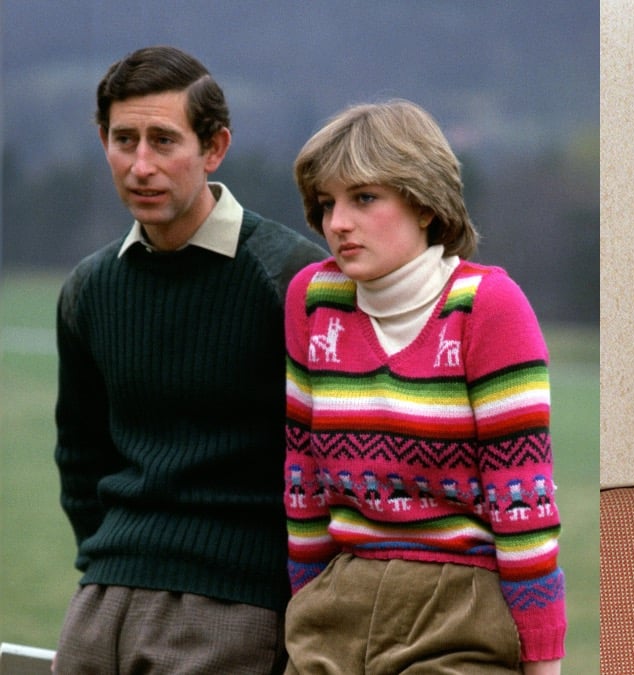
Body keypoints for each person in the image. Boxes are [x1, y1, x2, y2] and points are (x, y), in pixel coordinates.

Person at [53, 46, 326, 673]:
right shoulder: (88, 290)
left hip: (234, 609)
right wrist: (104, 567)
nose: (141, 166)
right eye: (124, 140)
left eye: (163, 141)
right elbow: (80, 455)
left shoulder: (292, 280)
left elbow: (328, 463)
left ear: (214, 147)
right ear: (103, 141)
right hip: (100, 604)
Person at [282, 99, 566, 674]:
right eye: (326, 203)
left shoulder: (487, 307)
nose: (337, 222)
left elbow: (524, 503)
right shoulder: (312, 300)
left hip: (461, 606)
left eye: (364, 198)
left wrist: (541, 660)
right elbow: (302, 480)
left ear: (424, 203)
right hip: (338, 601)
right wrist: (306, 602)